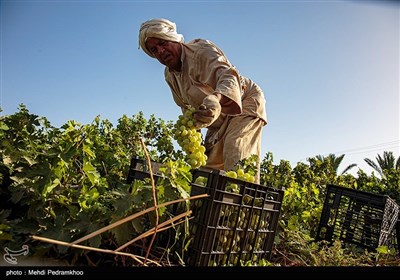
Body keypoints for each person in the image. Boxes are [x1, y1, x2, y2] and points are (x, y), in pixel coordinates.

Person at [138, 18, 267, 183]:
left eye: (163, 43)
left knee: (235, 151)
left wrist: (216, 98)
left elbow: (228, 76)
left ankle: (245, 204)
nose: (160, 51)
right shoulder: (169, 76)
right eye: (154, 50)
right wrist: (194, 139)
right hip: (216, 118)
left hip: (245, 101)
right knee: (207, 166)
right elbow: (186, 108)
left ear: (173, 38)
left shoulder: (201, 50)